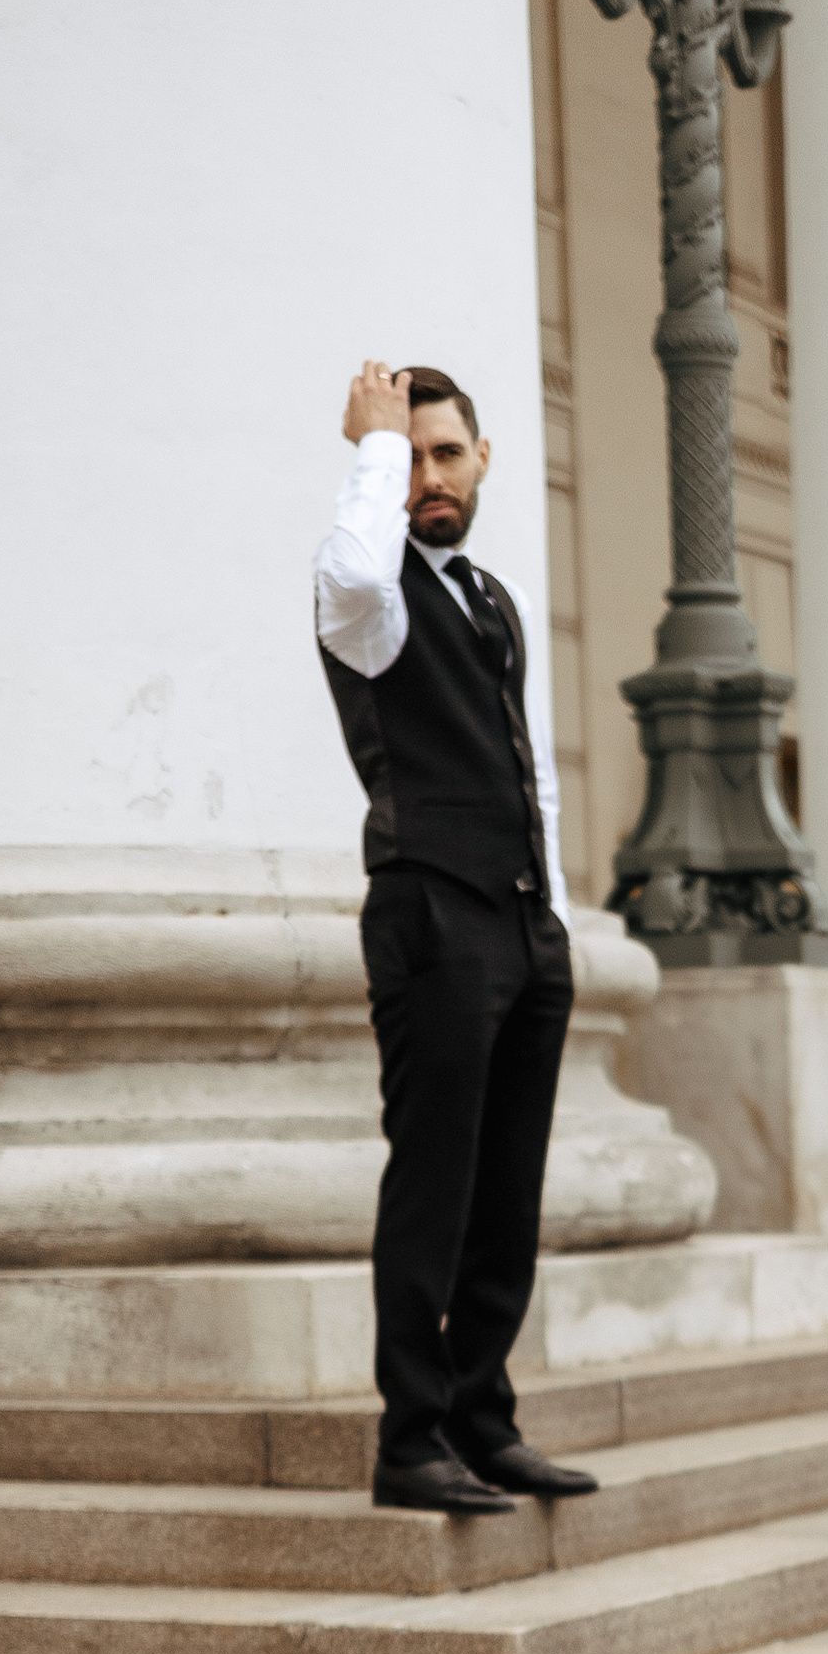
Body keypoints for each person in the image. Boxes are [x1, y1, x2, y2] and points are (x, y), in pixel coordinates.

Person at [313, 361, 598, 1515]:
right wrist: (374, 446)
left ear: (483, 461)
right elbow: (352, 567)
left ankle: (484, 1420)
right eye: (413, 457)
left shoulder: (494, 597)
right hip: (430, 913)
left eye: (446, 454)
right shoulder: (368, 600)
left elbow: (532, 771)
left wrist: (555, 915)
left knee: (506, 1193)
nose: (429, 477)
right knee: (433, 1185)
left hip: (524, 922)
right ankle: (410, 1441)